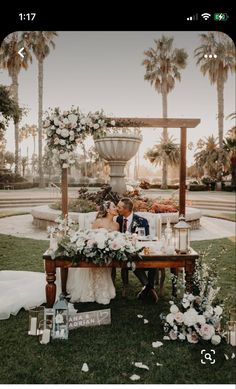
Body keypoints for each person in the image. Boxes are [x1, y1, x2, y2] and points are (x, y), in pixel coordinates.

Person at [66, 201, 118, 305]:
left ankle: (102, 292)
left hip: (107, 253)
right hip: (96, 251)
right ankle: (89, 292)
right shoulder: (98, 222)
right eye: (114, 206)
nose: (116, 208)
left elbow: (116, 240)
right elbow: (91, 238)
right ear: (108, 210)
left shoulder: (116, 225)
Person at [116, 197, 158, 303]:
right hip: (124, 251)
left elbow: (146, 240)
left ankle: (148, 287)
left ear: (127, 209)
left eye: (119, 207)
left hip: (139, 250)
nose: (117, 209)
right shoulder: (119, 219)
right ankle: (150, 288)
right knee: (132, 258)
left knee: (153, 261)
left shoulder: (142, 221)